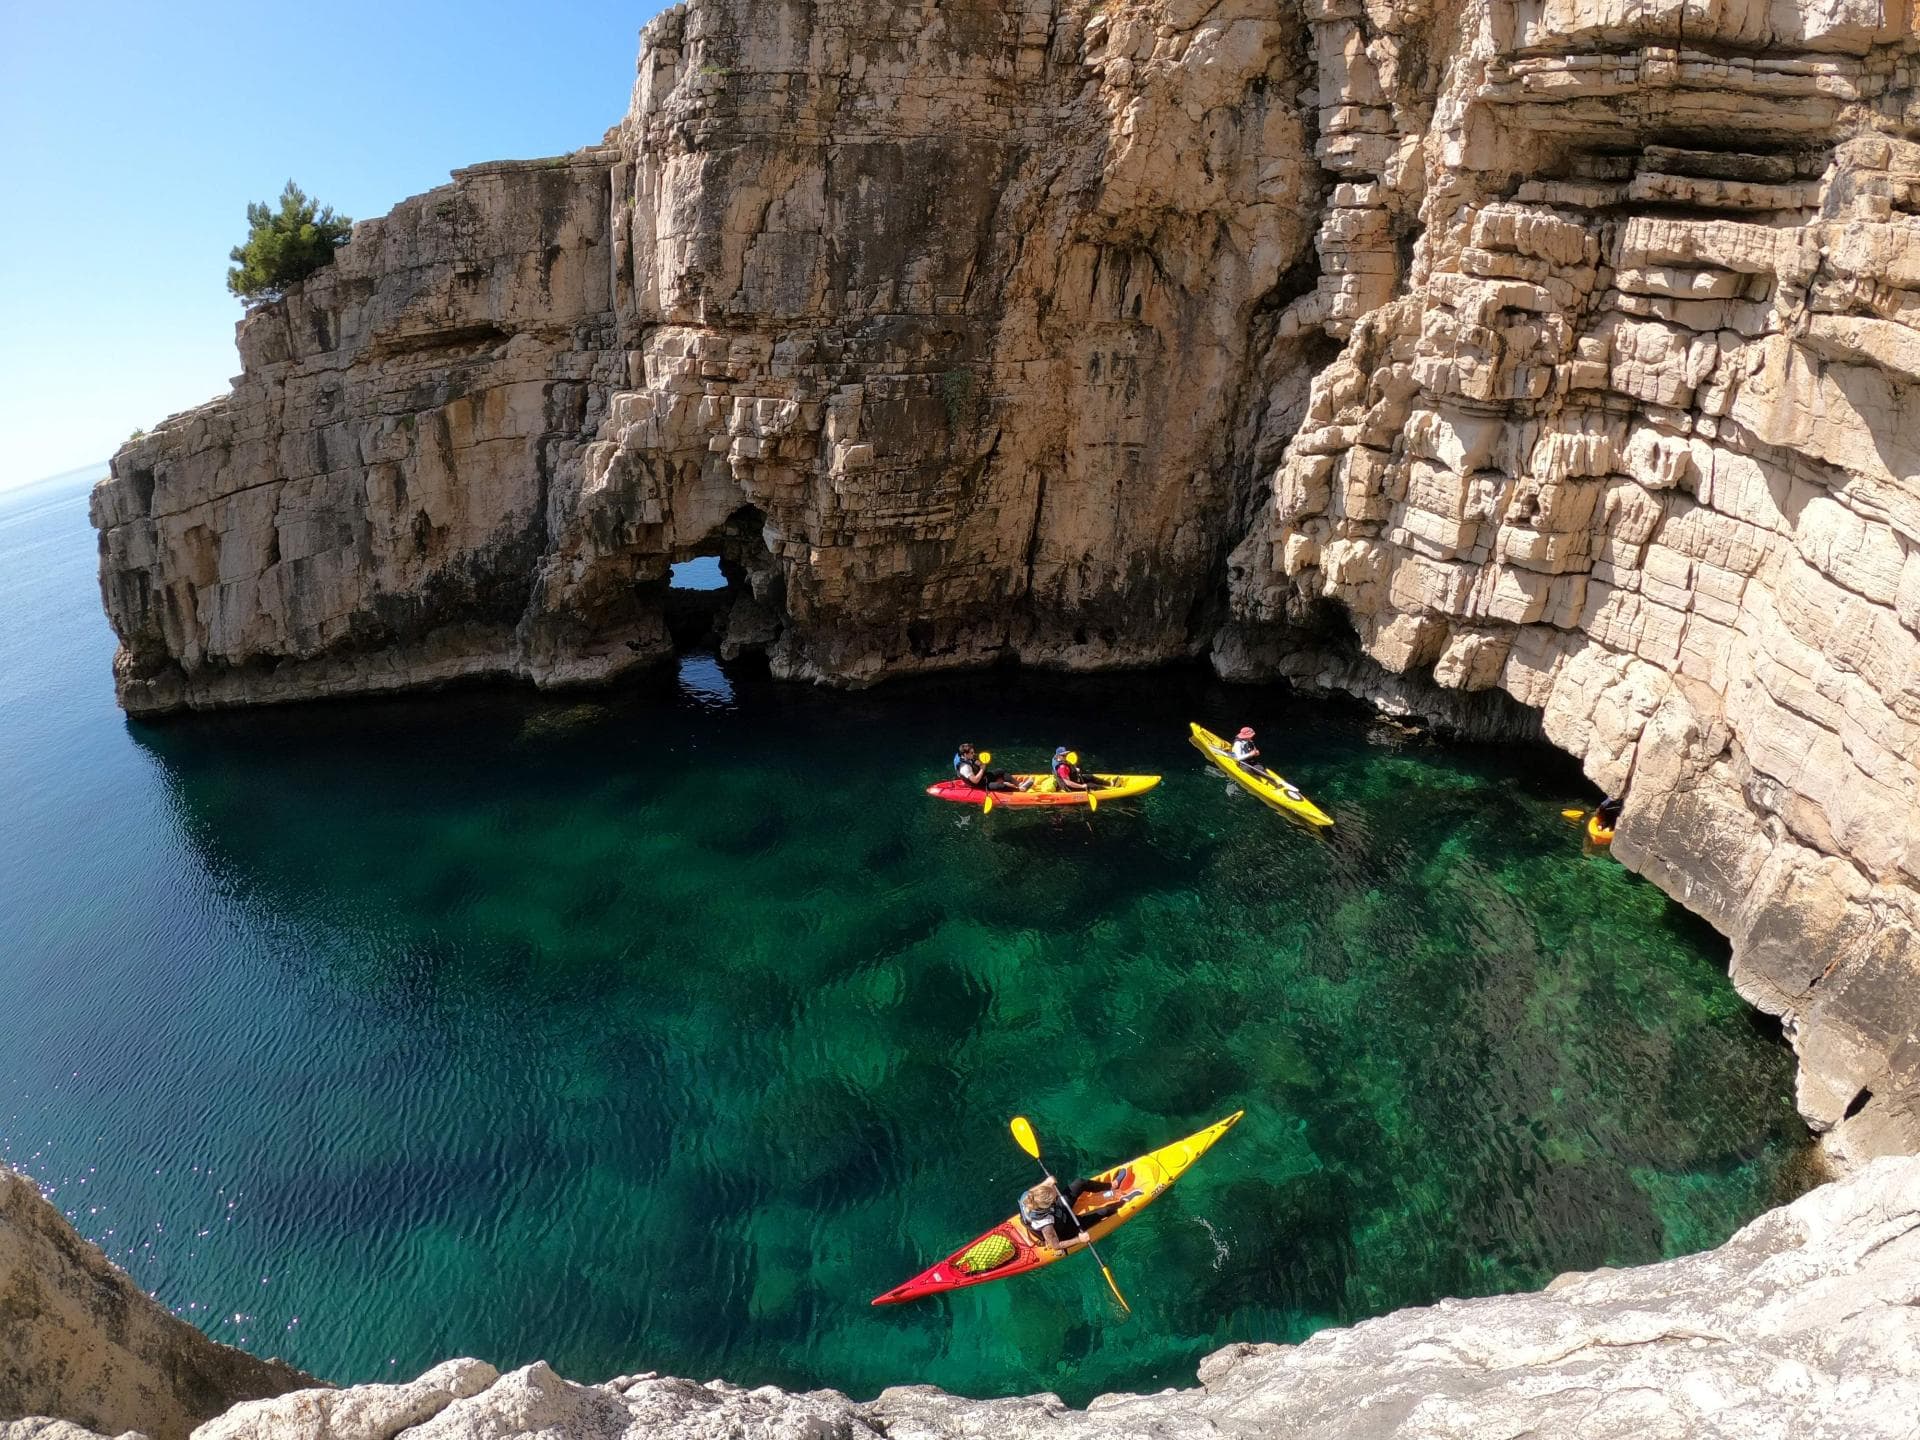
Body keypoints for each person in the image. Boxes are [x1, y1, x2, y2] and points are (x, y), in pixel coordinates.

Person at [1019, 1171, 1139, 1253]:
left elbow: (1033, 1191)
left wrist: (1047, 1182)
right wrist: (1080, 1240)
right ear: (1047, 1205)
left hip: (1056, 1212)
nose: (1057, 1195)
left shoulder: (1028, 1196)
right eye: (1054, 1197)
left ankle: (1112, 1185)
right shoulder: (1046, 1226)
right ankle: (1123, 1202)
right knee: (1103, 1211)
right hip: (1062, 1228)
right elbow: (1056, 1245)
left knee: (1079, 1183)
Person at [954, 742, 1028, 793]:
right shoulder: (965, 767)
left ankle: (1019, 784)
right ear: (965, 754)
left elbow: (975, 762)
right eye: (972, 753)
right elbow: (975, 781)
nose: (974, 754)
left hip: (983, 778)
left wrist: (981, 764)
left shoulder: (967, 757)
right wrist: (982, 769)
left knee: (1000, 770)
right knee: (1000, 786)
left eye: (973, 752)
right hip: (979, 785)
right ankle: (1018, 790)